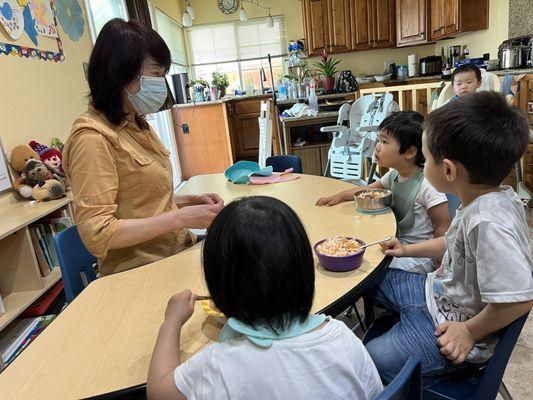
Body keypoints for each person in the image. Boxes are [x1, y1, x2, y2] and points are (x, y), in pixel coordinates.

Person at [365, 92, 533, 383]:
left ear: (449, 170)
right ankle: (402, 323)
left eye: (426, 158)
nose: (423, 164)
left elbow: (519, 299)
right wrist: (406, 250)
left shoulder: (490, 222)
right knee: (369, 276)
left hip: (453, 327)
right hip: (435, 293)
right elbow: (453, 244)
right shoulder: (483, 199)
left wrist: (468, 332)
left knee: (369, 361)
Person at [147, 196, 383, 400]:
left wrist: (172, 322)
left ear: (219, 284)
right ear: (304, 271)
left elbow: (158, 391)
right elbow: (375, 391)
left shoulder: (220, 364)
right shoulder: (343, 337)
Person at [63, 19, 223, 276]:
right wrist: (181, 218)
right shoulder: (92, 139)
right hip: (140, 273)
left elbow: (138, 201)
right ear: (121, 73)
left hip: (175, 253)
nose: (162, 85)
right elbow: (98, 232)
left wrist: (188, 202)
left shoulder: (137, 125)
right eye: (156, 74)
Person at [316, 111, 450, 273]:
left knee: (368, 269)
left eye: (384, 142)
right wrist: (339, 196)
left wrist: (439, 263)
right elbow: (369, 189)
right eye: (378, 140)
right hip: (397, 244)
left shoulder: (427, 185)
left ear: (409, 152)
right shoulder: (393, 175)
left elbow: (442, 227)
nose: (377, 147)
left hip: (419, 256)